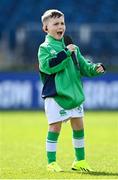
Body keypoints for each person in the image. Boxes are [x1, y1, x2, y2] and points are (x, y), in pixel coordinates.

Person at [38, 9, 105, 172]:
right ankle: (51, 162)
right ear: (45, 28)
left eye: (62, 23)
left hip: (74, 94)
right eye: (55, 24)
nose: (60, 26)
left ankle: (79, 161)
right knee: (55, 127)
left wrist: (94, 68)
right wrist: (66, 52)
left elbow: (83, 66)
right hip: (56, 94)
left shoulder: (72, 46)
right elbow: (49, 66)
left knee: (79, 126)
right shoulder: (44, 47)